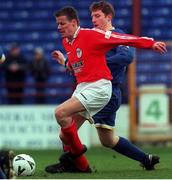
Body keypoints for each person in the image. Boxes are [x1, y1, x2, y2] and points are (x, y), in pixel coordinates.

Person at [45, 6, 166, 173]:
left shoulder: (99, 35)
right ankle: (145, 159)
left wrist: (150, 43)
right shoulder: (68, 41)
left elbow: (127, 53)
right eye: (92, 16)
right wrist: (65, 62)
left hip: (103, 89)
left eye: (97, 16)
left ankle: (75, 161)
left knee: (62, 115)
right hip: (86, 88)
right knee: (105, 139)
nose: (94, 20)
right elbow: (79, 64)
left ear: (108, 17)